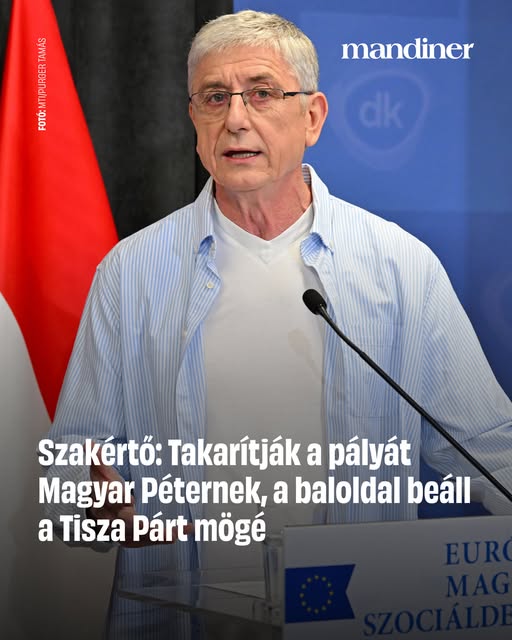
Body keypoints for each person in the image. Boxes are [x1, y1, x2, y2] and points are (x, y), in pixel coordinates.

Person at [44, 9, 512, 639]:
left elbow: (487, 444)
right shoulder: (131, 273)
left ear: (313, 117)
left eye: (262, 93)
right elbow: (71, 460)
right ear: (193, 119)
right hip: (178, 620)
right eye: (215, 98)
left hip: (355, 618)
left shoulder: (399, 265)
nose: (236, 118)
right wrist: (90, 505)